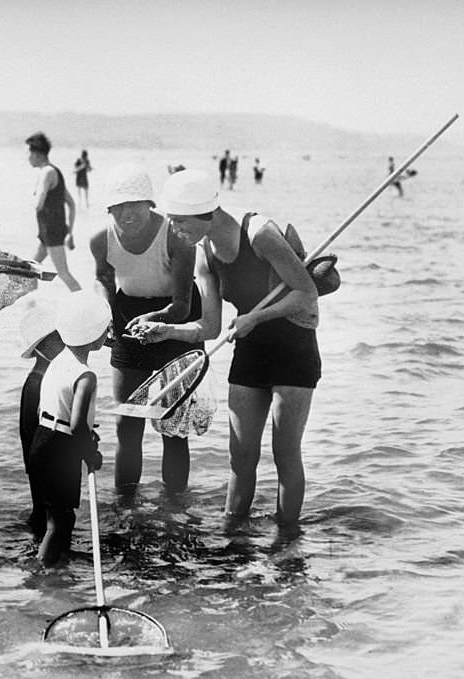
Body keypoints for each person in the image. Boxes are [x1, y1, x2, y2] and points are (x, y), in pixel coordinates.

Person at [128, 169, 320, 532]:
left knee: (285, 454)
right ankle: (233, 537)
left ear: (207, 214)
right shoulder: (205, 254)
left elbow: (305, 293)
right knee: (241, 457)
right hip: (251, 350)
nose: (176, 231)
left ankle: (286, 542)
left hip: (293, 348)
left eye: (181, 222)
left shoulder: (260, 234)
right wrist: (165, 330)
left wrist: (256, 317)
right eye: (173, 222)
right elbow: (210, 327)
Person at [88, 163, 201, 493]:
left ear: (150, 205)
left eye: (134, 205)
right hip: (128, 317)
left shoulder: (177, 238)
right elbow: (104, 281)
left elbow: (182, 304)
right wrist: (105, 316)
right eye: (119, 207)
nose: (127, 214)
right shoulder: (100, 240)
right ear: (109, 209)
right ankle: (125, 506)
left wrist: (157, 321)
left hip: (175, 317)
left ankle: (175, 505)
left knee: (173, 426)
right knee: (127, 424)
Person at [29, 290, 108, 565]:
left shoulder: (57, 362)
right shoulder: (86, 376)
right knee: (62, 519)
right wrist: (90, 454)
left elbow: (49, 407)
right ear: (95, 335)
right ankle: (43, 571)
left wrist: (85, 431)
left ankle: (55, 565)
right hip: (61, 449)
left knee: (55, 513)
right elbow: (77, 426)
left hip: (42, 439)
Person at [17, 297, 65, 538]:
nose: (65, 344)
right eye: (58, 339)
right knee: (48, 518)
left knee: (51, 518)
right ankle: (46, 563)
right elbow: (32, 432)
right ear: (42, 348)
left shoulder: (49, 377)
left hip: (45, 460)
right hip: (42, 464)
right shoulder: (36, 383)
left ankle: (46, 563)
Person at [26, 132, 80, 291]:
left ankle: (88, 306)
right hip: (48, 231)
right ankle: (29, 305)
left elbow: (39, 204)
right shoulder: (53, 171)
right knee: (31, 269)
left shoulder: (47, 173)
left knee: (63, 273)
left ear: (36, 154)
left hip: (52, 232)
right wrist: (69, 232)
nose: (28, 158)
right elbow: (71, 204)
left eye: (29, 153)